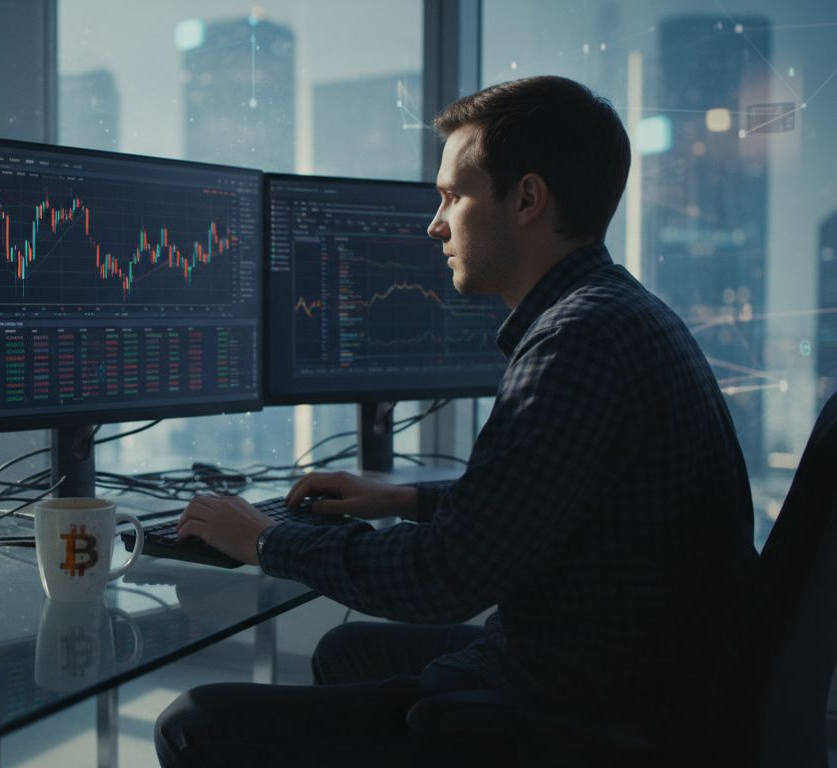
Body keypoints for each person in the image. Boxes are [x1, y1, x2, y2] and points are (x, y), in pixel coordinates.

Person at [155, 75, 759, 767]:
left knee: (192, 725)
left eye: (453, 195)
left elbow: (444, 578)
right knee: (347, 649)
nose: (434, 224)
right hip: (640, 673)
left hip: (581, 708)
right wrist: (407, 498)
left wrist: (262, 540)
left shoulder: (577, 342)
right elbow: (557, 500)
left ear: (527, 199)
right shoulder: (618, 312)